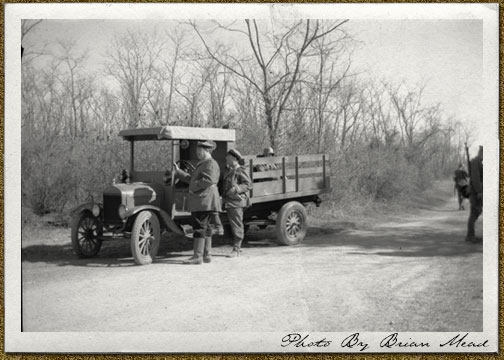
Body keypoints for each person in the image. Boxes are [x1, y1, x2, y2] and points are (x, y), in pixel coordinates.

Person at [173, 141, 221, 264]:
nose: (198, 154)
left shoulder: (210, 164)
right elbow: (192, 179)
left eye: (200, 151)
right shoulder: (204, 163)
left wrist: (193, 187)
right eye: (197, 151)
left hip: (204, 200)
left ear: (207, 151)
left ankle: (197, 256)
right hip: (203, 200)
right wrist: (179, 172)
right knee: (206, 227)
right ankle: (206, 255)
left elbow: (209, 180)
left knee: (199, 226)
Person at [222, 149, 253, 258]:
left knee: (236, 225)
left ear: (234, 158)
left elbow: (248, 184)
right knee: (233, 224)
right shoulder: (228, 170)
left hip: (236, 202)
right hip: (228, 201)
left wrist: (236, 189)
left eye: (228, 156)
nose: (226, 158)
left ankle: (236, 249)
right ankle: (237, 247)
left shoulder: (240, 170)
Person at [466, 146, 483, 243]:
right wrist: (479, 191)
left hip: (475, 190)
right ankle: (470, 236)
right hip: (475, 191)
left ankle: (470, 235)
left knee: (475, 212)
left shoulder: (477, 162)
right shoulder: (476, 162)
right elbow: (476, 178)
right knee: (474, 212)